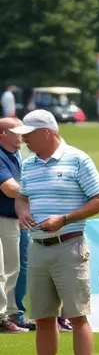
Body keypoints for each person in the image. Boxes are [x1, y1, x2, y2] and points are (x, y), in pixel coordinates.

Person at [12, 110, 99, 355]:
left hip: (70, 246)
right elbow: (22, 196)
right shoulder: (28, 166)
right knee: (43, 319)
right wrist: (21, 211)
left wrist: (65, 218)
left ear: (47, 133)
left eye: (29, 134)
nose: (24, 139)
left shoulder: (78, 159)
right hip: (39, 247)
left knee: (77, 317)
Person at [0, 118, 26, 332]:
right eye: (16, 132)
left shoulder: (15, 155)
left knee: (14, 269)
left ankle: (12, 313)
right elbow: (9, 188)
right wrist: (37, 192)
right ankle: (4, 317)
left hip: (14, 218)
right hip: (3, 219)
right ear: (3, 134)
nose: (21, 136)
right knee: (6, 270)